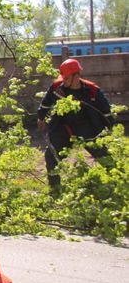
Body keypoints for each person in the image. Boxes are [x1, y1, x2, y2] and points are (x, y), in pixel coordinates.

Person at [37, 58, 115, 188]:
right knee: (51, 157)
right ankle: (55, 188)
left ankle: (119, 182)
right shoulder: (57, 87)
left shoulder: (93, 90)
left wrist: (110, 130)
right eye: (63, 77)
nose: (64, 81)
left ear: (77, 75)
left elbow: (106, 113)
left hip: (88, 129)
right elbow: (46, 103)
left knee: (106, 159)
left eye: (67, 78)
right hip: (63, 129)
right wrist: (41, 117)